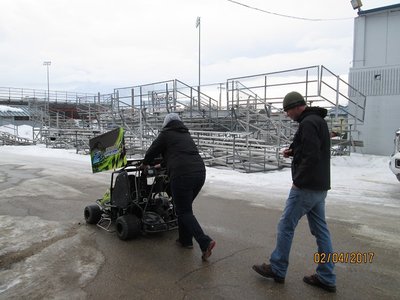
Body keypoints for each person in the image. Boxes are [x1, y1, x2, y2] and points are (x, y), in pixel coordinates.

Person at [252, 91, 336, 293]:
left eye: (288, 110)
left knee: (286, 225)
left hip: (306, 187)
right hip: (320, 186)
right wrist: (294, 151)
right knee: (321, 231)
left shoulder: (307, 123)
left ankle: (278, 268)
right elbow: (312, 149)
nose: (287, 115)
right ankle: (327, 276)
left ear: (297, 106)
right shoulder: (318, 121)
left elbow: (312, 156)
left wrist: (298, 181)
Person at [141, 113, 216, 261]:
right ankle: (185, 241)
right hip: (200, 173)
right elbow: (178, 155)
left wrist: (145, 163)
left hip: (182, 175)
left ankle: (205, 242)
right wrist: (161, 164)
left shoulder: (166, 134)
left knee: (183, 211)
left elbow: (152, 150)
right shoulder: (185, 135)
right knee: (184, 208)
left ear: (166, 124)